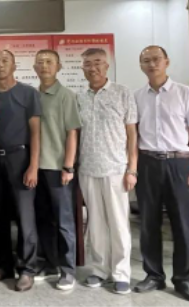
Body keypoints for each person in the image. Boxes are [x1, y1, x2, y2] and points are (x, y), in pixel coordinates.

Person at [134, 46, 189, 303]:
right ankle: (153, 275)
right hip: (147, 163)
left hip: (179, 163)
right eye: (146, 60)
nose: (152, 64)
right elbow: (134, 134)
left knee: (181, 225)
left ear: (166, 62)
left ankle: (184, 279)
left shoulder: (185, 92)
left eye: (156, 59)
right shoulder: (137, 96)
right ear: (141, 65)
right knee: (148, 223)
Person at [77, 48, 138, 295]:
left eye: (98, 63)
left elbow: (132, 134)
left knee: (119, 223)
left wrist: (132, 168)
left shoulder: (123, 93)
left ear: (107, 65)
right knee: (96, 224)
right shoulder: (79, 97)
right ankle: (99, 269)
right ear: (82, 68)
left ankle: (121, 273)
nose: (93, 68)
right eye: (88, 64)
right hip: (88, 168)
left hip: (116, 169)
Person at [0, 49, 41, 292]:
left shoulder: (28, 93)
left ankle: (27, 269)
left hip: (20, 158)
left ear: (14, 65)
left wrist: (33, 165)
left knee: (24, 217)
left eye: (5, 61)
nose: (0, 65)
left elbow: (36, 132)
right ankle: (4, 265)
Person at [33, 49, 81, 291]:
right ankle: (50, 263)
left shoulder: (66, 96)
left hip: (58, 168)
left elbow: (72, 132)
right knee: (43, 219)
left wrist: (68, 166)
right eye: (40, 62)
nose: (44, 66)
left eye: (49, 62)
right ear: (34, 68)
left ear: (59, 67)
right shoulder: (33, 96)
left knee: (64, 221)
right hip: (36, 169)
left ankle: (68, 269)